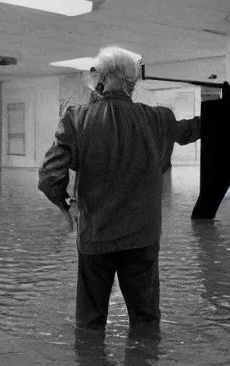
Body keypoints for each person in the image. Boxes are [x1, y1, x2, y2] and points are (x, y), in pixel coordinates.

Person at [38, 47, 200, 331]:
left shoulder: (76, 118)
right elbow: (188, 131)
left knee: (89, 327)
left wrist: (67, 204)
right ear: (130, 82)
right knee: (146, 323)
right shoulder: (158, 118)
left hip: (94, 238)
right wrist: (225, 115)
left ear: (101, 76)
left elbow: (49, 176)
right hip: (143, 238)